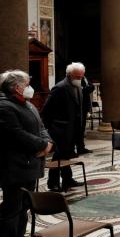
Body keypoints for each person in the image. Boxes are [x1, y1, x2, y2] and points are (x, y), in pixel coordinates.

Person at [0, 70, 52, 237]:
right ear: (17, 88)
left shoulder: (28, 104)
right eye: (27, 84)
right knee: (11, 208)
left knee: (24, 206)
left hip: (30, 164)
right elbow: (17, 135)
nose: (30, 87)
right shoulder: (3, 107)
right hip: (14, 167)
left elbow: (41, 126)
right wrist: (42, 145)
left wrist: (48, 143)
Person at [41, 62, 87, 192]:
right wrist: (53, 128)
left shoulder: (77, 86)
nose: (80, 79)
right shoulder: (60, 88)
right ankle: (52, 182)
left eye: (82, 76)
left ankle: (68, 179)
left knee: (66, 155)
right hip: (60, 130)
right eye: (78, 77)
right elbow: (46, 110)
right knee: (58, 156)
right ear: (69, 75)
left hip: (73, 128)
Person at [77, 76, 94, 154]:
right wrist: (86, 88)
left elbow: (92, 87)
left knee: (82, 129)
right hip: (78, 108)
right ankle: (78, 148)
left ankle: (81, 147)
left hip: (84, 108)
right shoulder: (77, 80)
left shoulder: (85, 78)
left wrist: (87, 87)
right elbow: (84, 90)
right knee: (78, 129)